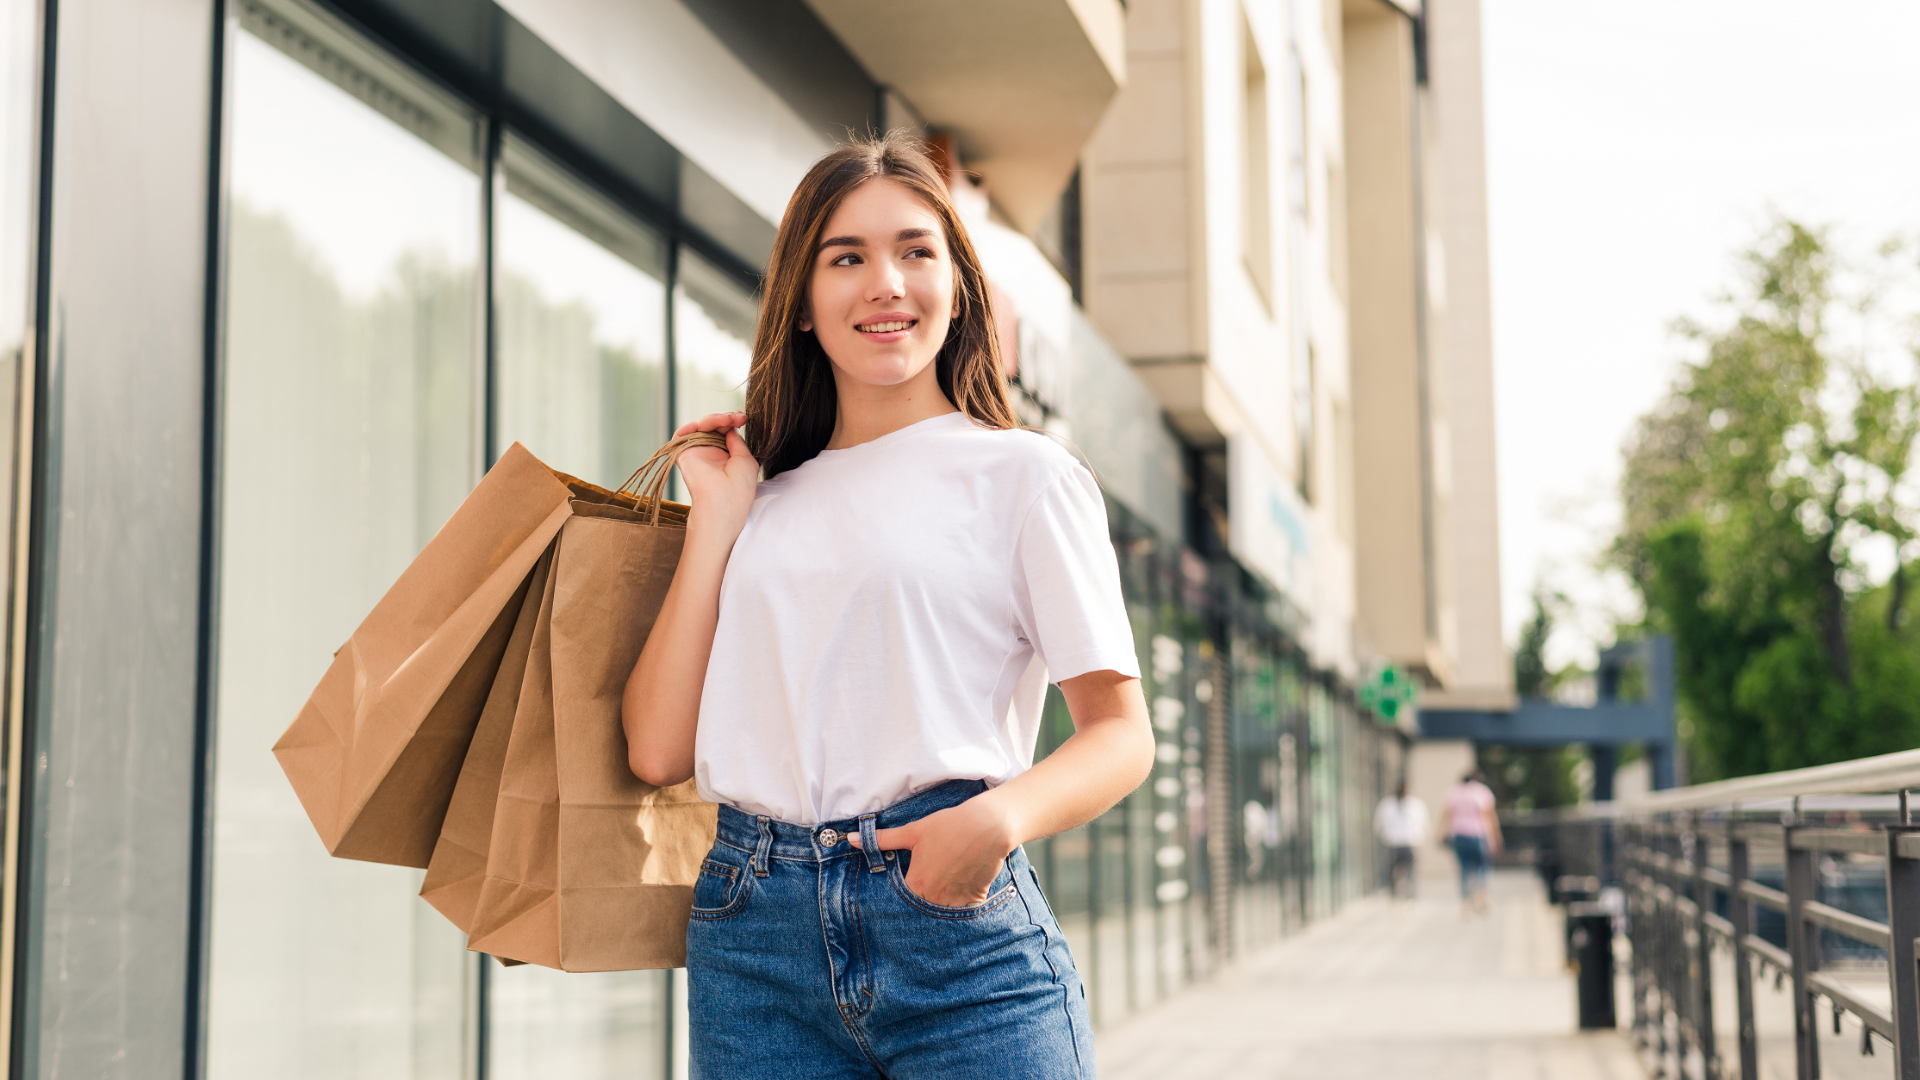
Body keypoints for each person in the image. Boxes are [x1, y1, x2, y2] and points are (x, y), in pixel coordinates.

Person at [622, 134, 1154, 1080]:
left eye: (916, 251)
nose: (886, 284)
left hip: (958, 938)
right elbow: (658, 750)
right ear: (801, 300)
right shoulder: (762, 500)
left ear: (958, 285)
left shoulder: (1024, 479)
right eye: (847, 257)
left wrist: (995, 823)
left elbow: (1120, 735)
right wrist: (718, 521)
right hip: (754, 938)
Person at [1443, 770, 1502, 914]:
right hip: (1478, 834)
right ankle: (1482, 895)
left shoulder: (1454, 793)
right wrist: (1496, 835)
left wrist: (1443, 833)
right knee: (1482, 866)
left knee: (1463, 869)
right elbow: (1489, 816)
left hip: (1459, 834)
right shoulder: (1482, 792)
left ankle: (1466, 902)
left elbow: (1447, 815)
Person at [1374, 781, 1429, 899]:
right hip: (1396, 842)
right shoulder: (1388, 805)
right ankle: (1399, 893)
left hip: (1405, 842)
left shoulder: (1413, 805)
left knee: (1405, 870)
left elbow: (1378, 825)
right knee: (1399, 870)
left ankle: (1405, 893)